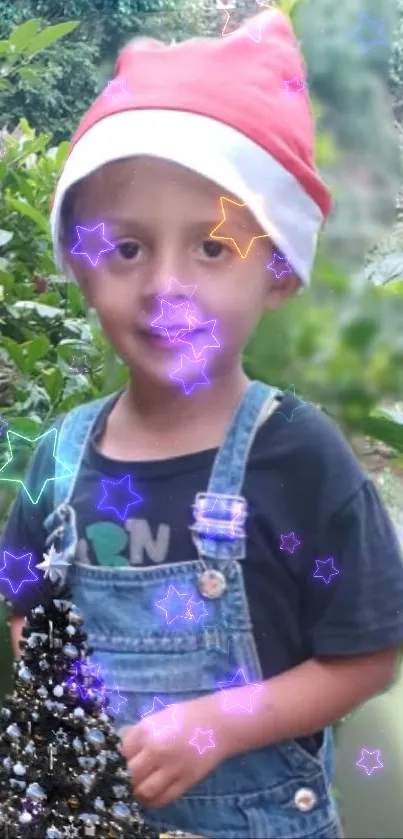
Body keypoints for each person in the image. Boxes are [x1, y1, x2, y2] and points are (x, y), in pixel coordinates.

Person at [1, 9, 403, 839]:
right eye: (126, 247)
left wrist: (217, 722)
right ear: (80, 262)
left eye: (213, 248)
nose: (166, 285)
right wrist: (64, 707)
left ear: (280, 270)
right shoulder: (59, 457)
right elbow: (28, 600)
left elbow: (368, 654)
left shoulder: (299, 459)